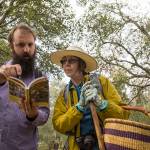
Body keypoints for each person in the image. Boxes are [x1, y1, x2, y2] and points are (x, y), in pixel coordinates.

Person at [50, 46, 129, 150]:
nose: (66, 64)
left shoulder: (101, 82)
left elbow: (123, 114)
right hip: (76, 146)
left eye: (71, 60)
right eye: (63, 61)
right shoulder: (63, 94)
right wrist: (78, 108)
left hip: (106, 144)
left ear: (81, 64)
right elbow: (58, 125)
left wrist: (103, 104)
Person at [0, 23, 50, 150]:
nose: (27, 49)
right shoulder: (1, 71)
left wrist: (34, 115)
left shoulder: (40, 77)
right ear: (12, 46)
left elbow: (44, 116)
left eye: (30, 44)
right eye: (21, 45)